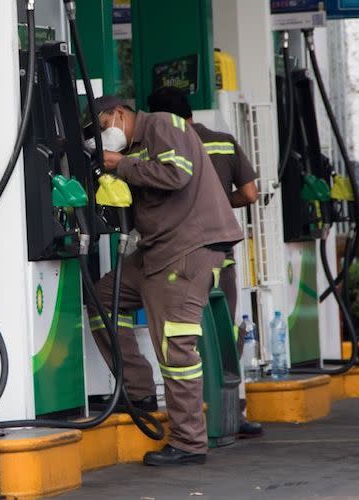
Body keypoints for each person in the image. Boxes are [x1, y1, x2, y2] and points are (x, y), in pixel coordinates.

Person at [85, 95, 244, 465]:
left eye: (102, 126)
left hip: (186, 249)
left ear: (120, 114)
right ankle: (139, 391)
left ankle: (189, 443)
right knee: (103, 299)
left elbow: (176, 173)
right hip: (158, 251)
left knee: (176, 348)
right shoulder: (139, 147)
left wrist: (121, 164)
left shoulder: (161, 125)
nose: (104, 136)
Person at [147, 86, 263, 439]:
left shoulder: (160, 145)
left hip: (178, 257)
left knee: (184, 342)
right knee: (224, 337)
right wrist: (219, 203)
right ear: (190, 113)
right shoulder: (223, 142)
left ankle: (198, 420)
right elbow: (250, 193)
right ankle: (233, 412)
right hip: (220, 257)